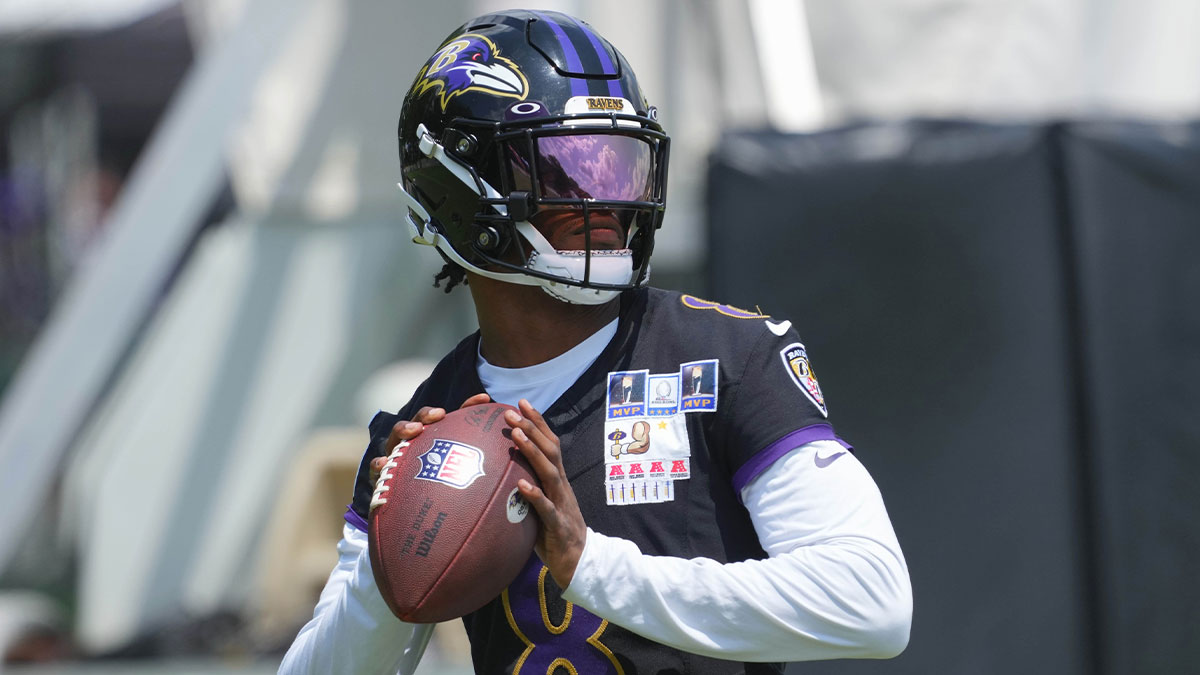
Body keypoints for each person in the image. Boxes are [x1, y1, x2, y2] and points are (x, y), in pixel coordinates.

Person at [280, 9, 911, 674]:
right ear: (457, 187)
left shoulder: (726, 356)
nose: (606, 203)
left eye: (619, 166)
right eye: (567, 171)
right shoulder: (421, 427)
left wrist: (592, 565)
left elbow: (872, 600)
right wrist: (391, 562)